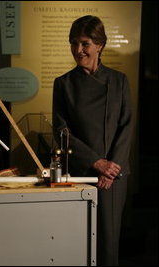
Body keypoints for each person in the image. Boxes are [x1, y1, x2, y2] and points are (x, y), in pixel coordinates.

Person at [52, 15, 133, 266]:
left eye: (85, 43)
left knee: (107, 246)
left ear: (100, 45)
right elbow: (61, 132)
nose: (78, 50)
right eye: (73, 43)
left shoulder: (119, 81)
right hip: (79, 172)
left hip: (113, 177)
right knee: (76, 242)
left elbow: (127, 126)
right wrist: (96, 163)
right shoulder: (63, 84)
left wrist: (111, 168)